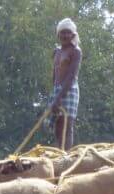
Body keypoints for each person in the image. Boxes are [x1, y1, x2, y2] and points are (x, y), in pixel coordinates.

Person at [47, 18, 82, 150]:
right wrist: (54, 93)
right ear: (58, 34)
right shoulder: (56, 51)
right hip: (57, 90)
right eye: (62, 32)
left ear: (73, 35)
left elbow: (72, 76)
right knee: (57, 124)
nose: (65, 35)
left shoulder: (76, 51)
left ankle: (66, 156)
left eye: (68, 33)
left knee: (67, 124)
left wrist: (59, 97)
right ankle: (58, 152)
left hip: (69, 90)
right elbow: (54, 74)